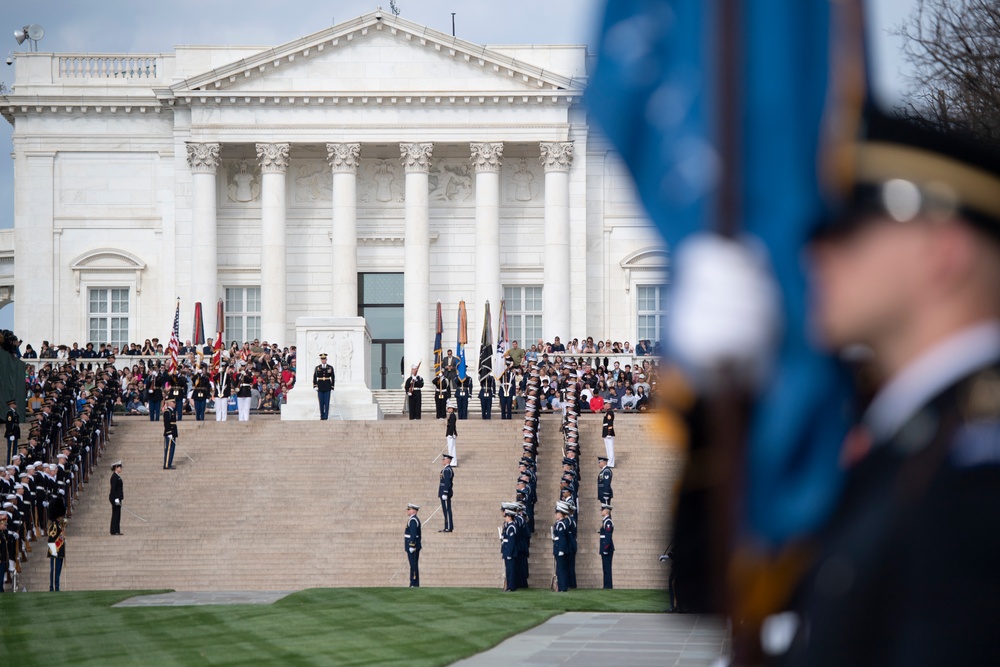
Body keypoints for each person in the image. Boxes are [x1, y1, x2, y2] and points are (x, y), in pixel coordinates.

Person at [755, 112, 1000, 666]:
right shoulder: (909, 438)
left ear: (943, 253)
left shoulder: (975, 467)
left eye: (846, 230)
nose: (814, 255)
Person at [552, 502, 570, 592]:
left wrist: (561, 549)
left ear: (560, 513)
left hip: (560, 548)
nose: (556, 514)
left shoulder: (561, 524)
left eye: (557, 513)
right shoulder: (560, 523)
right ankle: (561, 586)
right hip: (558, 546)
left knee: (561, 569)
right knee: (560, 568)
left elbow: (562, 538)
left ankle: (563, 587)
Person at [313, 352, 335, 420]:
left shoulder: (330, 367)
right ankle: (322, 416)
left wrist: (332, 386)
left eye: (324, 359)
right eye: (322, 359)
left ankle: (326, 416)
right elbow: (314, 377)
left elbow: (333, 377)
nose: (323, 360)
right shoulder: (317, 368)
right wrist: (315, 385)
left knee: (327, 402)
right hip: (320, 386)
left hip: (327, 386)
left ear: (326, 359)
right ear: (320, 360)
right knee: (321, 402)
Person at [404, 503, 421, 587]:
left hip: (412, 546)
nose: (407, 511)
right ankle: (413, 583)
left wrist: (412, 545)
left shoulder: (413, 520)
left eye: (409, 509)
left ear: (414, 511)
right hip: (412, 545)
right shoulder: (412, 519)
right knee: (412, 564)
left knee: (413, 565)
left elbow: (413, 534)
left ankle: (414, 583)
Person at [47, 517, 66, 591]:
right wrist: (54, 551)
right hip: (55, 551)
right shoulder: (54, 526)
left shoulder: (60, 526)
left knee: (58, 570)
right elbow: (51, 538)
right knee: (55, 570)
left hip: (60, 552)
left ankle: (57, 586)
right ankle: (54, 587)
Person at [501, 507, 518, 591]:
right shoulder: (508, 526)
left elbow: (511, 542)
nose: (505, 518)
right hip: (507, 550)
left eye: (506, 516)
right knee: (508, 570)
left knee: (511, 570)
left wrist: (509, 553)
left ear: (510, 517)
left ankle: (511, 586)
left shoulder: (512, 527)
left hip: (510, 551)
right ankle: (509, 586)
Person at [599, 503, 614, 589]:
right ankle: (606, 585)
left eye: (602, 509)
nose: (601, 511)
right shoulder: (605, 521)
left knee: (607, 568)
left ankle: (608, 586)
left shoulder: (608, 522)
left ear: (606, 511)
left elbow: (608, 537)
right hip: (605, 547)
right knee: (605, 568)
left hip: (607, 548)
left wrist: (605, 548)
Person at [438, 455, 454, 532]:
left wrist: (445, 492)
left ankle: (448, 527)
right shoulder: (446, 469)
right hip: (444, 492)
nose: (442, 460)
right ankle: (447, 526)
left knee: (447, 510)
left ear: (447, 460)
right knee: (445, 510)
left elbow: (447, 482)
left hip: (445, 493)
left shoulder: (447, 470)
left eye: (443, 459)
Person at [109, 460, 123, 535]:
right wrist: (116, 499)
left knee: (117, 514)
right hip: (115, 498)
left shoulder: (117, 476)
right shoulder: (114, 477)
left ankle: (116, 530)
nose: (121, 468)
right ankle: (114, 530)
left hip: (118, 498)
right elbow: (113, 489)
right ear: (116, 467)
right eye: (120, 467)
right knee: (116, 514)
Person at [162, 398, 177, 470]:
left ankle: (169, 463)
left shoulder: (172, 411)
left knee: (172, 449)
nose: (174, 403)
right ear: (169, 403)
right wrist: (169, 433)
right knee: (168, 450)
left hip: (173, 432)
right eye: (173, 402)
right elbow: (167, 423)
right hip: (170, 433)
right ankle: (167, 464)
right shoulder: (167, 412)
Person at [5, 399, 19, 466]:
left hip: (15, 433)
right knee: (10, 450)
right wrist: (10, 433)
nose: (15, 405)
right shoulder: (10, 413)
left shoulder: (14, 413)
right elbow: (9, 424)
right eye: (14, 404)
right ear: (11, 405)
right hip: (12, 433)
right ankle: (9, 464)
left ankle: (13, 463)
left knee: (14, 450)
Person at [445, 400, 458, 466]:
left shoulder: (452, 416)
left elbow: (452, 425)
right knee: (451, 448)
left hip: (451, 434)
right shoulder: (451, 415)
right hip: (451, 433)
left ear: (452, 409)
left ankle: (453, 462)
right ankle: (453, 462)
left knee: (451, 448)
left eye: (449, 408)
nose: (448, 409)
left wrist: (450, 434)